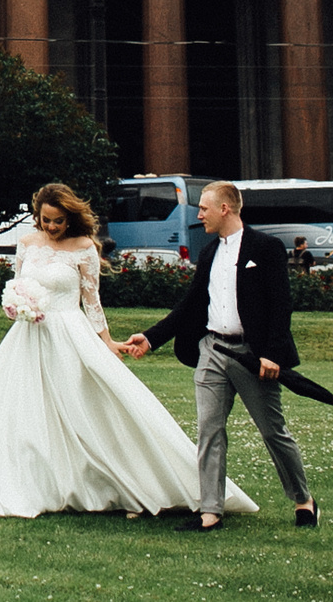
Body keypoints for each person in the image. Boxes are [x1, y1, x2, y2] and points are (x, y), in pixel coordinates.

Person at [0, 183, 256, 521]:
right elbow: (17, 285)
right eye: (46, 220)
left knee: (90, 408)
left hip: (69, 334)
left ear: (70, 218)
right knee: (24, 410)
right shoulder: (27, 243)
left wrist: (106, 342)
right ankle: (36, 481)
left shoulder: (84, 247)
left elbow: (92, 303)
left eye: (58, 220)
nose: (51, 227)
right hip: (28, 337)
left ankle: (129, 482)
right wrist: (17, 305)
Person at [123, 181, 319, 533]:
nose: (199, 215)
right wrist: (150, 339)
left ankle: (304, 500)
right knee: (209, 431)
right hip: (211, 351)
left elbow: (281, 305)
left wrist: (272, 355)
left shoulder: (267, 248)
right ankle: (210, 511)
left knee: (273, 432)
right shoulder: (210, 253)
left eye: (204, 208)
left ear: (225, 209)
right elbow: (191, 306)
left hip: (252, 356)